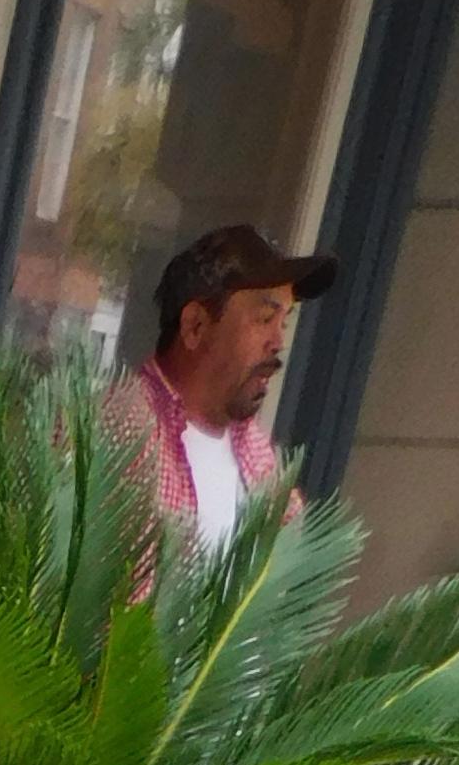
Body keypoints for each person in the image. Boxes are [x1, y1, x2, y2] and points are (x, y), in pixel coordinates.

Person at [114, 222, 337, 554]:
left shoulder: (260, 457)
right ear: (196, 326)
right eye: (264, 319)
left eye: (284, 322)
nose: (278, 342)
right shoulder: (119, 433)